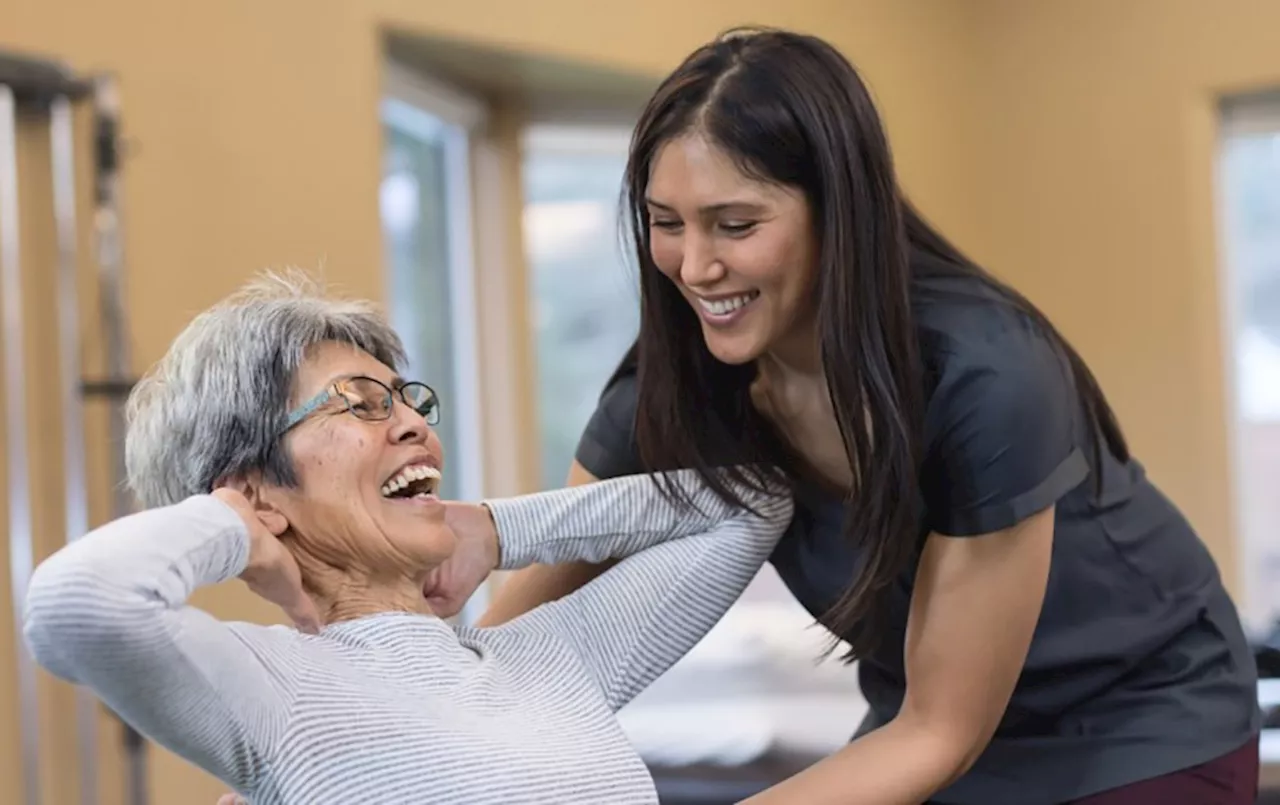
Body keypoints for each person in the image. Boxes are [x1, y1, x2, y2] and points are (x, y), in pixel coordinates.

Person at [433, 27, 1262, 805]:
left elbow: (944, 730)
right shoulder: (678, 381)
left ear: (839, 212)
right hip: (922, 722)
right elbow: (516, 646)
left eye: (736, 224)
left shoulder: (986, 375)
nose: (695, 265)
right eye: (665, 223)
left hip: (1136, 720)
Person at [22, 272, 793, 805]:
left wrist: (498, 528)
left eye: (407, 398)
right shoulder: (273, 689)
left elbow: (755, 502)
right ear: (257, 485)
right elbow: (77, 603)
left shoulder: (551, 656)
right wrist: (230, 523)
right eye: (358, 404)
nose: (415, 423)